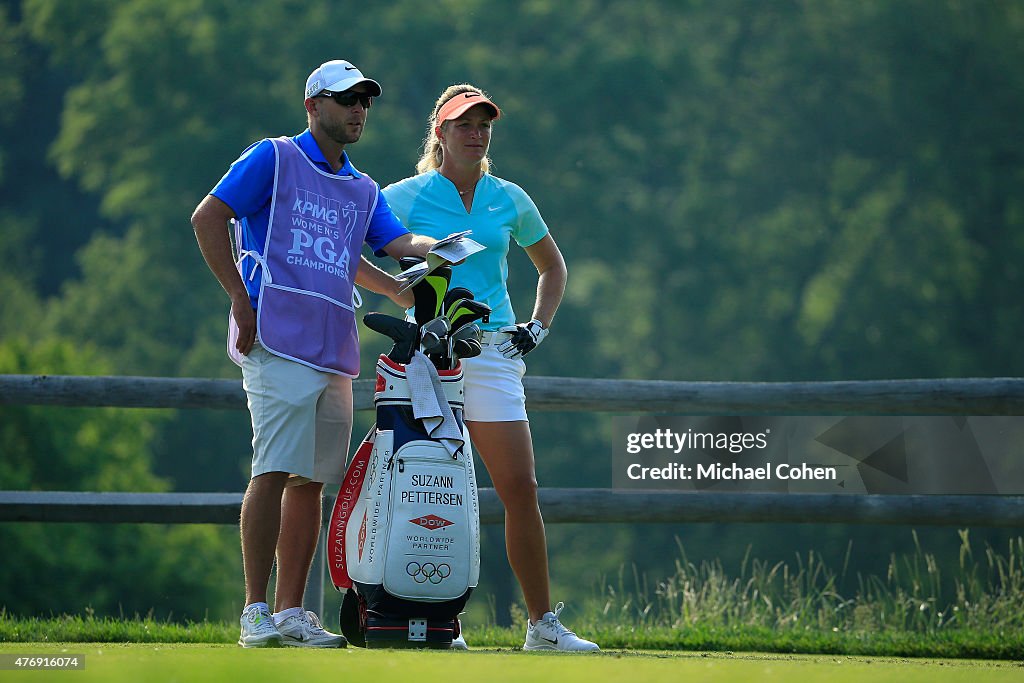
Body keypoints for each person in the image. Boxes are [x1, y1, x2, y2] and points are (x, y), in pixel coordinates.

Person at [191, 59, 436, 648]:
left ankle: (292, 613)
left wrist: (435, 252)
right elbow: (209, 217)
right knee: (272, 470)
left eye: (365, 102)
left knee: (309, 483)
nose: (358, 111)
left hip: (332, 348)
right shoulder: (273, 158)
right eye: (347, 99)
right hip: (274, 335)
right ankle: (254, 612)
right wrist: (239, 300)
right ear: (313, 106)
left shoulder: (361, 187)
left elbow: (384, 245)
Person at [382, 85, 599, 652]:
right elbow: (352, 248)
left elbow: (552, 267)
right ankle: (435, 621)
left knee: (519, 487)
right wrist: (401, 297)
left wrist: (538, 326)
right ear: (440, 133)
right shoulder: (404, 196)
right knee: (431, 490)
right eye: (463, 126)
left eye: (484, 127)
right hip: (430, 358)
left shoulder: (509, 197)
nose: (475, 135)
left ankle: (542, 625)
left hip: (495, 353)